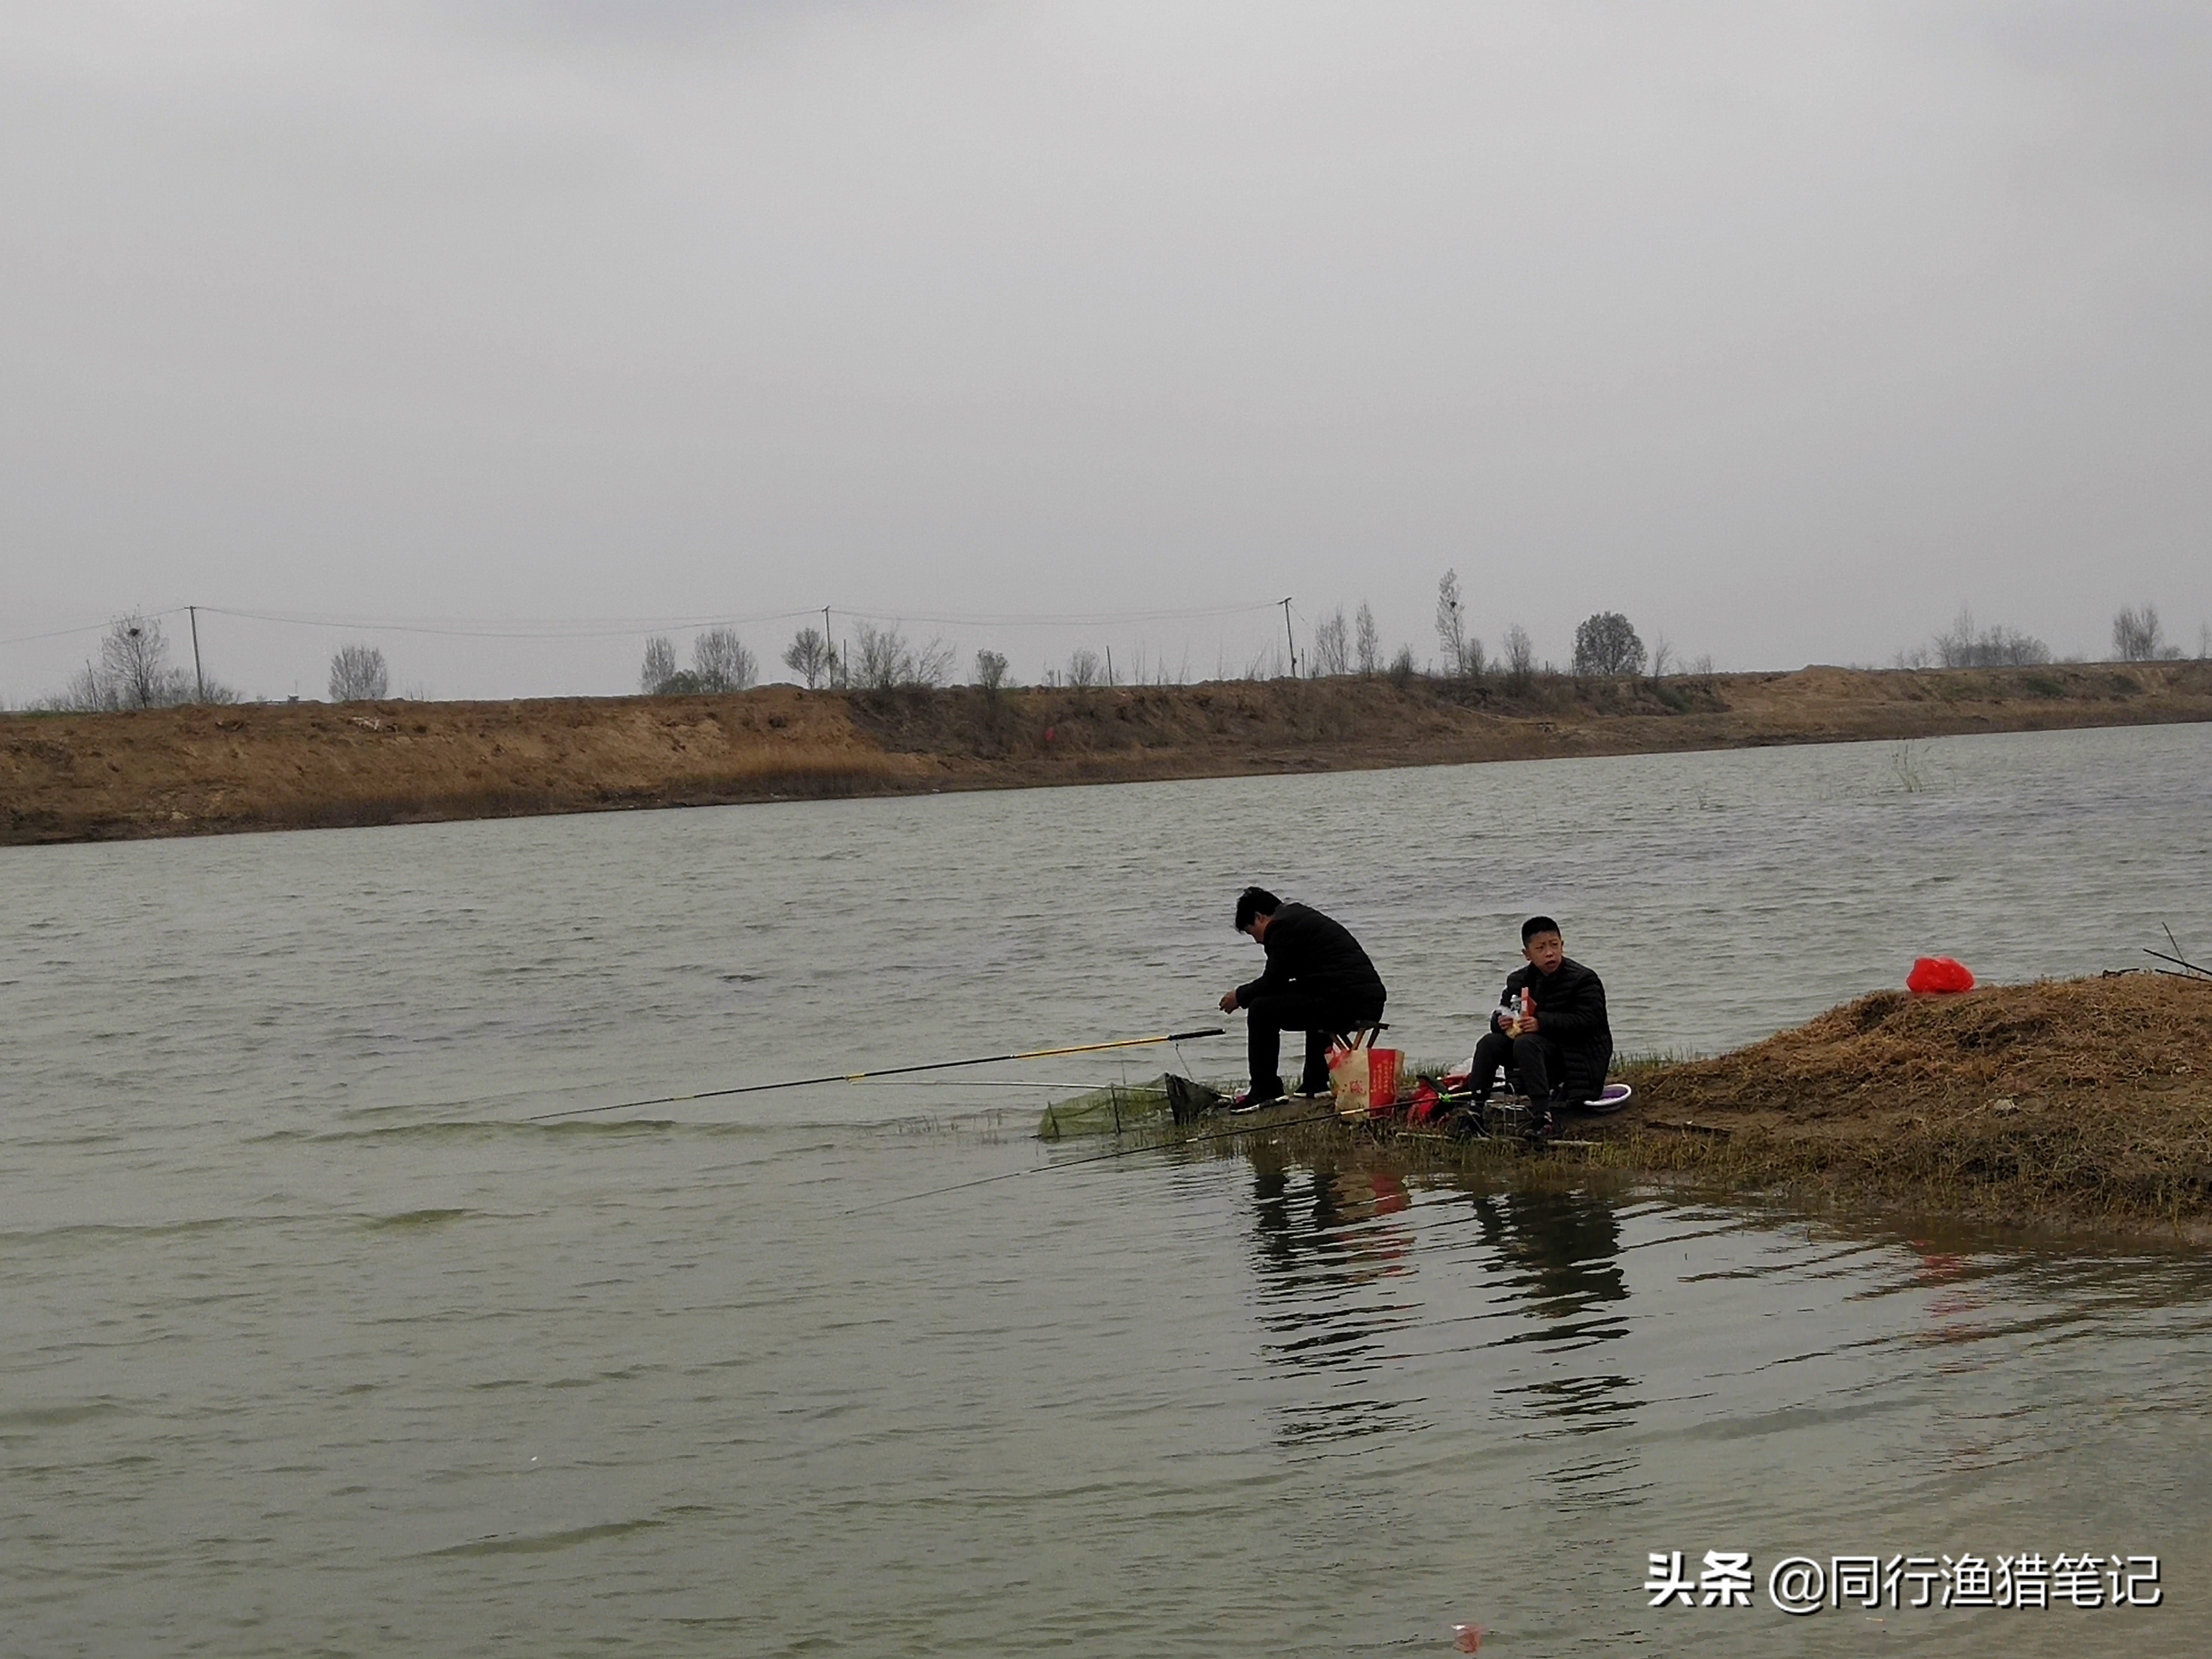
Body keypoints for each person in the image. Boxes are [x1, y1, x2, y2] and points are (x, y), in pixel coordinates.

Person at [1218, 887, 1387, 1108]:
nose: (1257, 942)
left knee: (1261, 1009)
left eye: (1252, 933)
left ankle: (1265, 1089)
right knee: (1307, 997)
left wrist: (1239, 997)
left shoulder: (1282, 928)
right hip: (1362, 998)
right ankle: (1315, 1084)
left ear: (1259, 917)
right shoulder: (1296, 917)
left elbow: (1273, 981)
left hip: (1350, 1002)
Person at [1463, 915, 1612, 1131]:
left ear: (1563, 945)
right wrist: (1502, 1022)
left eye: (1554, 945)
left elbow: (1588, 1021)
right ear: (1527, 955)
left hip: (1576, 1054)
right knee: (1490, 1042)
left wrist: (1541, 1023)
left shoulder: (1584, 979)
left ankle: (1543, 1116)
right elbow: (1503, 1011)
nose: (1550, 953)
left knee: (1527, 1043)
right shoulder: (1518, 980)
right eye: (1541, 948)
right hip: (1536, 1052)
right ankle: (1475, 1110)